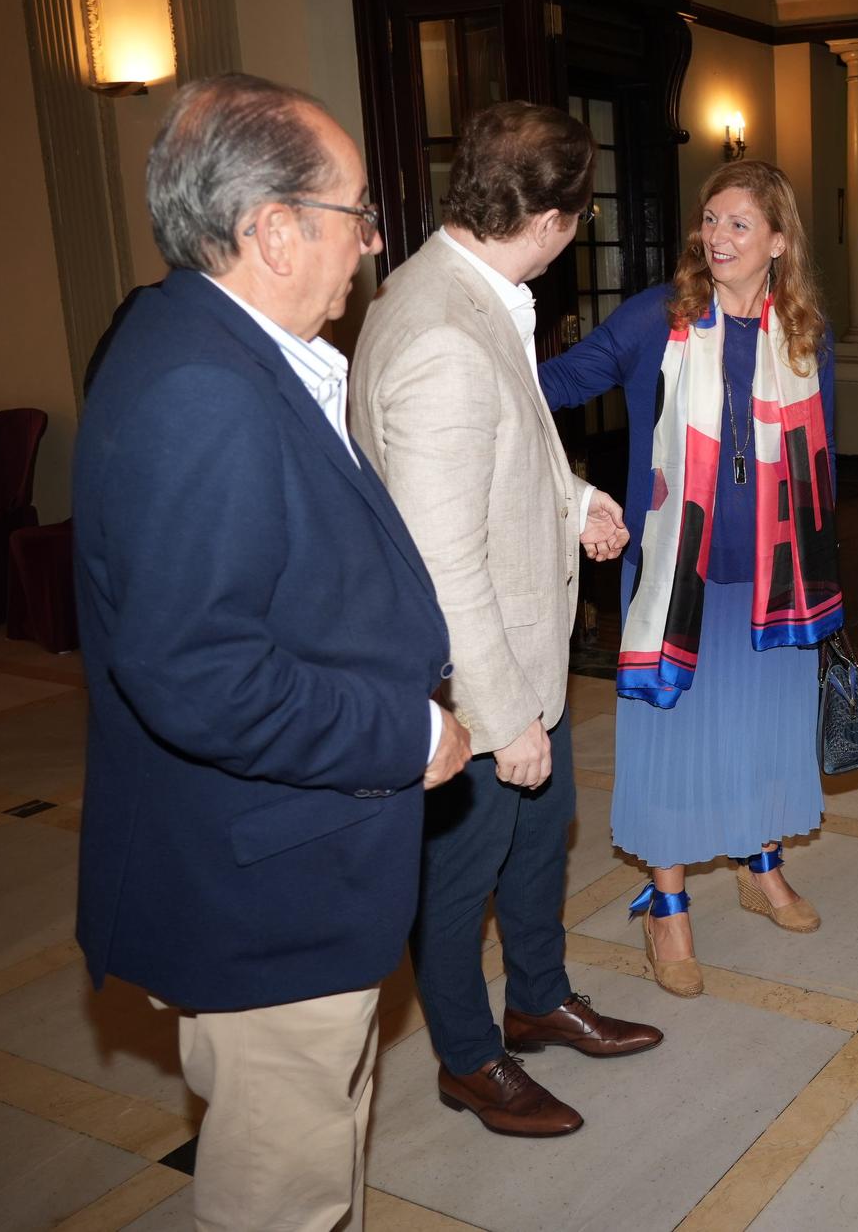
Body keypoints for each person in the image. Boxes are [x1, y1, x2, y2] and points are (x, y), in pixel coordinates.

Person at [73, 73, 471, 1230]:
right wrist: (407, 730)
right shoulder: (202, 388)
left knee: (317, 1160)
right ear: (272, 229)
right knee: (280, 1197)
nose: (372, 239)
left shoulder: (207, 344)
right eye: (356, 211)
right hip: (265, 890)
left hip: (287, 862)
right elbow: (199, 673)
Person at [351, 101, 662, 1140]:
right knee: (459, 876)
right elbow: (442, 560)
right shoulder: (441, 329)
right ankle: (468, 1060)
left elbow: (499, 450)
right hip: (480, 676)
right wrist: (501, 714)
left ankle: (536, 997)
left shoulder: (482, 292)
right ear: (557, 216)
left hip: (528, 648)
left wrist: (576, 502)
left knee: (537, 845)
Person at [539, 159, 840, 997]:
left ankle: (760, 864)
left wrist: (824, 573)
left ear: (778, 240)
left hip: (777, 579)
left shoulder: (804, 330)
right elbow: (551, 384)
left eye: (740, 224)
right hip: (677, 571)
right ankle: (665, 904)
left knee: (761, 728)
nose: (718, 237)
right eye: (710, 220)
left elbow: (824, 464)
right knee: (670, 736)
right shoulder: (655, 320)